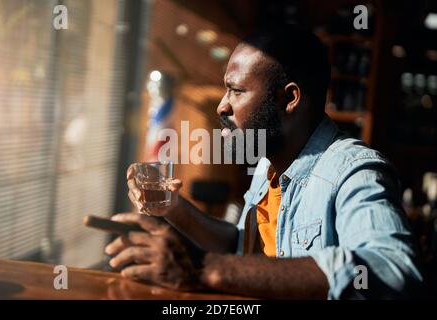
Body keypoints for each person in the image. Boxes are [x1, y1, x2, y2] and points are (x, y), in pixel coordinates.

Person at [105, 25, 423, 299]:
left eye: (236, 91)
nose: (221, 106)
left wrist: (203, 268)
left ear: (289, 98)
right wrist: (174, 209)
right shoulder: (268, 162)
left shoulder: (354, 172)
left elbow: (395, 269)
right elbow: (243, 249)